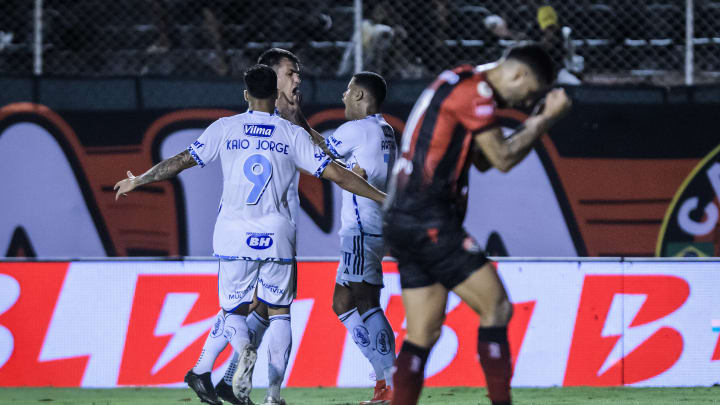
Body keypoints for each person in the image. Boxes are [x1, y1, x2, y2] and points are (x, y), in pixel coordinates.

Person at [114, 64, 387, 405]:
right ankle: (273, 395)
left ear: (245, 95)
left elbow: (182, 160)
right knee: (281, 313)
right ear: (275, 95)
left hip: (232, 235)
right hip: (277, 235)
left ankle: (243, 349)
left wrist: (139, 179)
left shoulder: (225, 128)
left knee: (232, 312)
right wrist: (380, 196)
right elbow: (338, 174)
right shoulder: (291, 134)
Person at [383, 43, 572, 405]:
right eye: (528, 93)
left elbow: (484, 161)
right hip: (429, 219)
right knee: (497, 307)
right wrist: (545, 119)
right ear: (518, 74)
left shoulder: (461, 80)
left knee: (423, 333)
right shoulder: (477, 92)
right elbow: (501, 159)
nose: (521, 104)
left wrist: (534, 123)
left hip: (404, 219)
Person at [325, 72, 397, 404]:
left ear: (359, 96)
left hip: (360, 228)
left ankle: (392, 382)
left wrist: (294, 122)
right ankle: (383, 377)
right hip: (375, 227)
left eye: (348, 91)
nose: (342, 96)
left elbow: (319, 154)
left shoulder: (354, 130)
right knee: (342, 303)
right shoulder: (384, 130)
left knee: (367, 302)